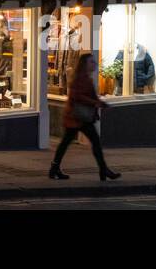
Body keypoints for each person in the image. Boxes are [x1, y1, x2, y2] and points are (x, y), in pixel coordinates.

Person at [49, 53, 121, 181]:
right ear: (85, 64)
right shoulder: (80, 78)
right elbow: (78, 97)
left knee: (67, 143)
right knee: (92, 143)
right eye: (91, 62)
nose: (94, 64)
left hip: (79, 117)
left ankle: (54, 168)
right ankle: (103, 170)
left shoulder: (86, 78)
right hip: (77, 117)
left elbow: (87, 96)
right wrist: (96, 103)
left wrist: (97, 104)